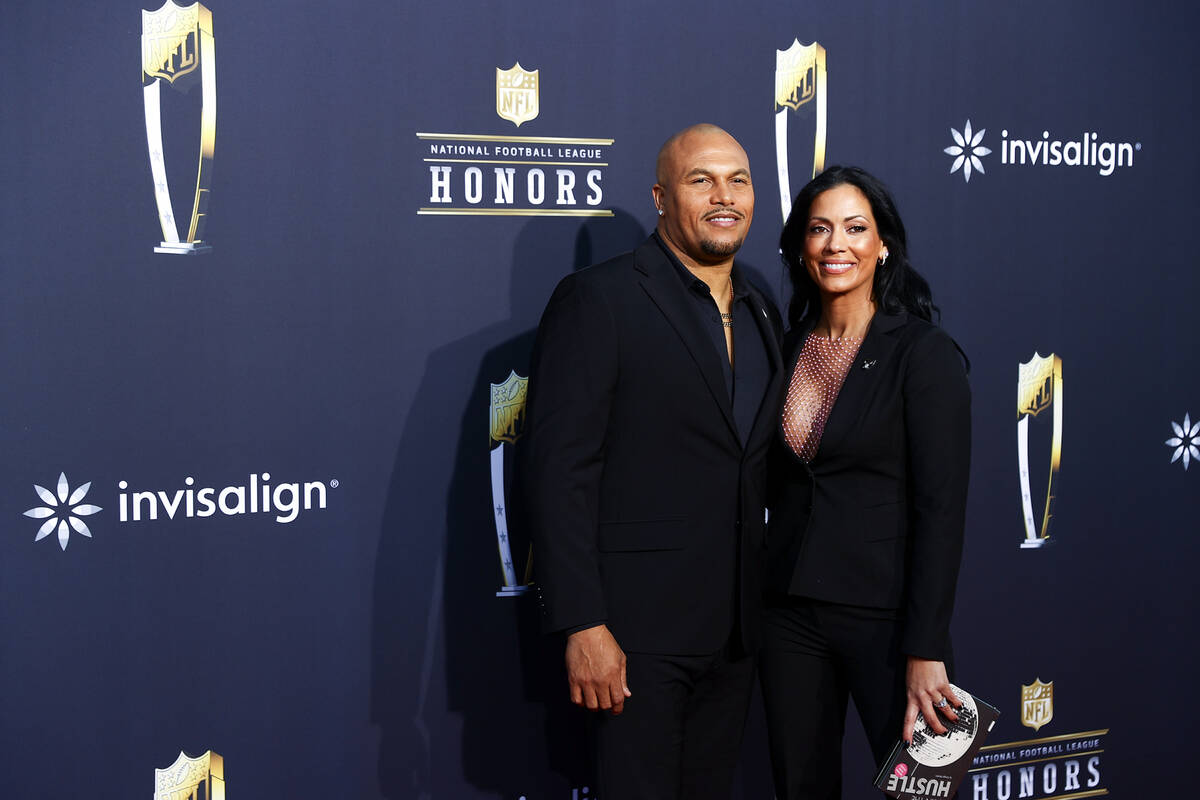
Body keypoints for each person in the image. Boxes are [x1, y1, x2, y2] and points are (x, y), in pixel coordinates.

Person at [520, 123, 784, 799]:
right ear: (662, 197)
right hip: (635, 635)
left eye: (739, 179)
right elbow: (559, 473)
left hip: (736, 631)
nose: (724, 196)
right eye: (702, 180)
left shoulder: (762, 306)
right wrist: (583, 623)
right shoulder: (599, 298)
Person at [758, 166, 971, 799]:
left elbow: (942, 508)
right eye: (820, 229)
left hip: (891, 622)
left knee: (926, 794)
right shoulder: (784, 346)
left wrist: (926, 646)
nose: (836, 245)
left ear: (883, 246)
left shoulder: (924, 353)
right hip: (789, 617)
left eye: (855, 228)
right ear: (800, 246)